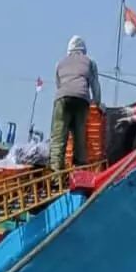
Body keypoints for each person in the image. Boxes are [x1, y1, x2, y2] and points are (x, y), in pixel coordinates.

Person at [49, 35, 102, 170]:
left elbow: (58, 84)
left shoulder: (60, 63)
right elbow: (95, 85)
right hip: (82, 99)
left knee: (58, 139)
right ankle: (79, 172)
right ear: (83, 49)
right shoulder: (90, 62)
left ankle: (56, 176)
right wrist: (97, 103)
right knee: (79, 138)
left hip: (62, 99)